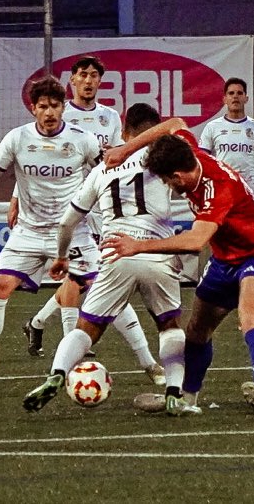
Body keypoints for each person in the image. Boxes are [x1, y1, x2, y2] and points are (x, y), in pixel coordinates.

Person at [100, 116, 254, 420]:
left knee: (251, 318)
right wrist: (125, 149)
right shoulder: (188, 151)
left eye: (167, 181)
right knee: (197, 330)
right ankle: (187, 400)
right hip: (224, 259)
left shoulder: (218, 187)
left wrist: (138, 246)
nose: (168, 186)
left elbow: (196, 241)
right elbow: (174, 123)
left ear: (177, 176)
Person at [23, 103, 193, 415]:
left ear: (125, 132)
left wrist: (61, 257)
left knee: (86, 328)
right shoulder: (160, 160)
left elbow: (66, 224)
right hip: (157, 252)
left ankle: (56, 374)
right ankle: (173, 392)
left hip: (116, 254)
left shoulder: (102, 169)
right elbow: (177, 125)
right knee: (169, 325)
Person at [18, 56, 163, 387]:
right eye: (82, 74)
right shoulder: (58, 114)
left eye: (94, 75)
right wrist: (18, 198)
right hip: (67, 207)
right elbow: (34, 157)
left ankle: (40, 326)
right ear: (72, 80)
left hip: (104, 205)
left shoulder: (109, 117)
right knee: (99, 279)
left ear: (99, 81)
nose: (88, 80)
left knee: (92, 278)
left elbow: (119, 156)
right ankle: (131, 361)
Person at [0, 75, 103, 390]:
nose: (49, 112)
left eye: (55, 106)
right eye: (43, 106)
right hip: (29, 231)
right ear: (33, 108)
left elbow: (106, 172)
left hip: (72, 231)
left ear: (63, 108)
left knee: (100, 289)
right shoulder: (17, 138)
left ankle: (149, 364)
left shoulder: (83, 140)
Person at [200, 78, 254, 221]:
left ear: (246, 98)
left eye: (239, 93)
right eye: (231, 93)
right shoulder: (212, 127)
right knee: (223, 233)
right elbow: (202, 162)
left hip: (250, 193)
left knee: (252, 233)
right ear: (224, 99)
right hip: (223, 193)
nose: (235, 96)